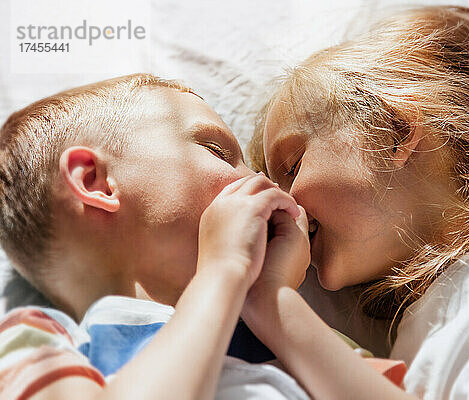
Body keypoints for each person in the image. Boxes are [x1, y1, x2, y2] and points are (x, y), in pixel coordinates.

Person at [246, 5, 469, 400]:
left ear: (395, 131)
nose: (280, 203)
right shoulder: (411, 344)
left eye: (292, 166)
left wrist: (273, 303)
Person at [0, 73, 314, 400]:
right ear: (96, 181)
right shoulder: (34, 341)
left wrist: (275, 302)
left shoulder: (290, 334)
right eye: (217, 151)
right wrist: (223, 271)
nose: (266, 183)